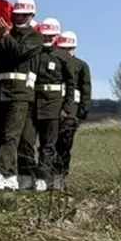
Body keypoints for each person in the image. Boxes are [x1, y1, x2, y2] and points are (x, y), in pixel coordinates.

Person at [0, 0, 44, 192]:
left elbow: (18, 53)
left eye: (24, 15)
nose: (20, 18)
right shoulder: (3, 33)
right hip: (0, 90)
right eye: (17, 15)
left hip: (19, 92)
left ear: (32, 15)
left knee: (11, 135)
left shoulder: (34, 37)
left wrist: (6, 35)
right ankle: (10, 177)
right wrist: (0, 36)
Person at [18, 17, 73, 192]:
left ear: (56, 35)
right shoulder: (34, 53)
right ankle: (26, 175)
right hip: (33, 102)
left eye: (51, 35)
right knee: (26, 140)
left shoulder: (63, 56)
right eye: (45, 35)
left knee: (48, 145)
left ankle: (42, 178)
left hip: (54, 104)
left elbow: (71, 84)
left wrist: (66, 108)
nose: (48, 38)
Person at [52, 30, 91, 190]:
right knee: (50, 145)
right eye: (63, 48)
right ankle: (50, 179)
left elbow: (86, 91)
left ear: (74, 48)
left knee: (64, 146)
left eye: (69, 48)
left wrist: (81, 114)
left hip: (72, 113)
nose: (66, 51)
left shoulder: (82, 66)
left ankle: (61, 179)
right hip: (53, 109)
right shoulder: (55, 62)